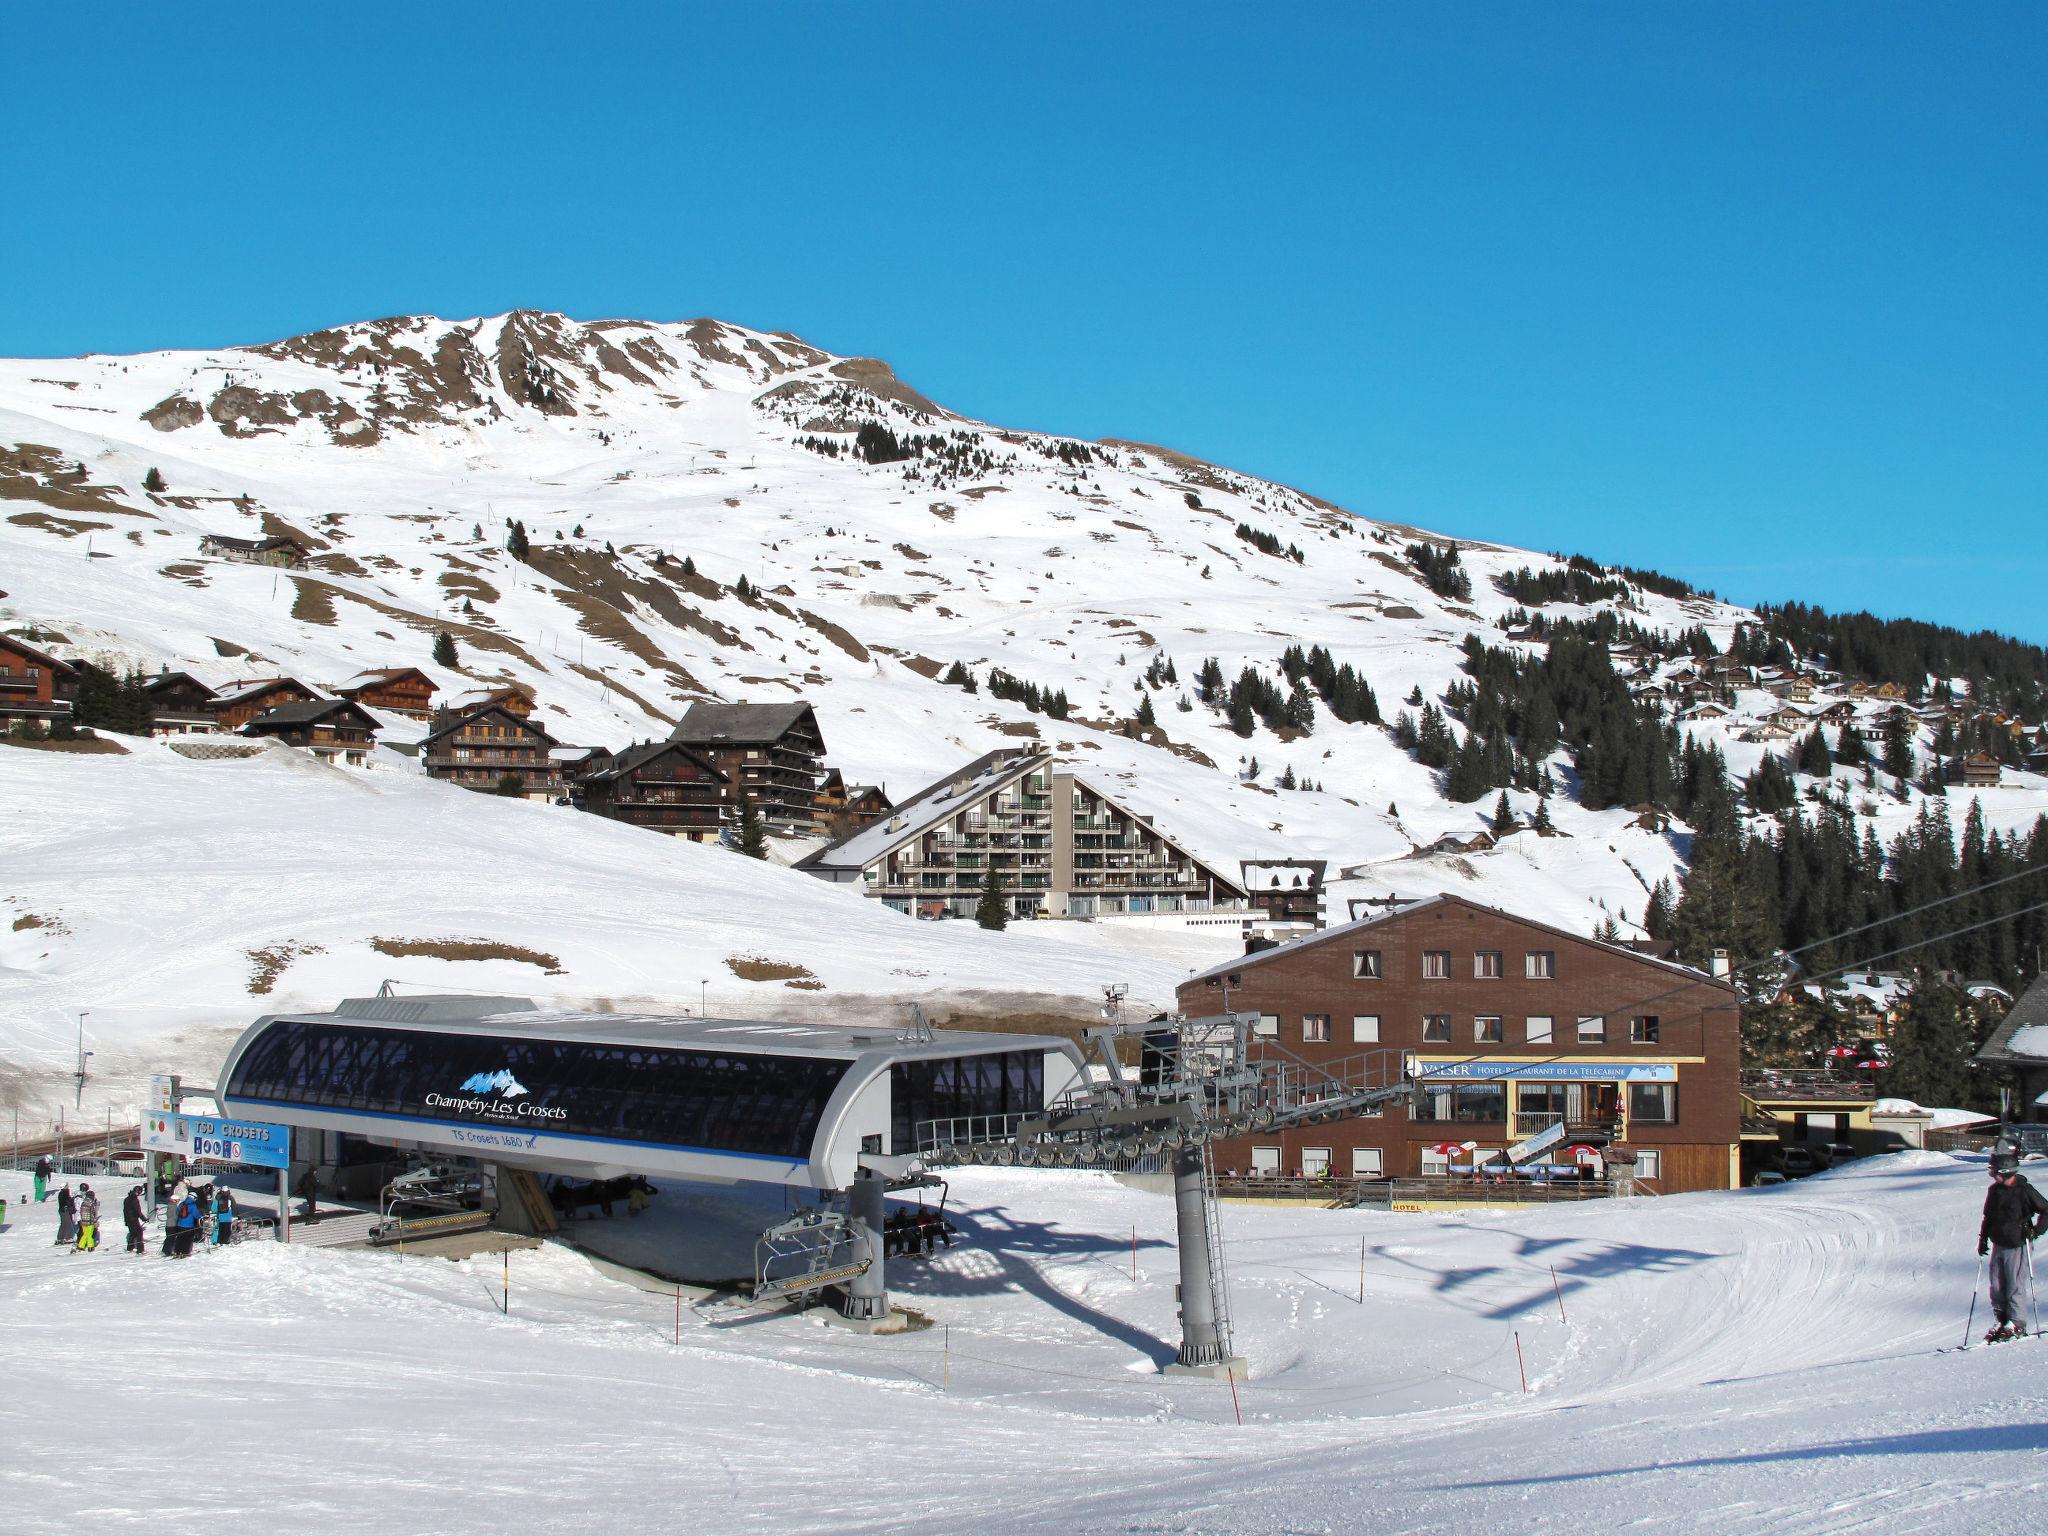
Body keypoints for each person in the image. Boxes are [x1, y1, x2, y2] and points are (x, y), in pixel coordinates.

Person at [1978, 1150, 2048, 1341]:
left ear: (2005, 1171)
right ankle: (2002, 1321)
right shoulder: (1995, 1191)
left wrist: (2036, 1231)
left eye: (1994, 1171)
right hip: (1999, 1243)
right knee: (1997, 1284)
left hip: (2018, 1243)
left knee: (2015, 1284)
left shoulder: (2024, 1190)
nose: (1992, 1175)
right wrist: (1983, 1239)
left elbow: (2046, 1209)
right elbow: (1989, 1217)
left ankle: (2016, 1323)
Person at [172, 1190, 199, 1258]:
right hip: (189, 1225)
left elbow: (177, 1212)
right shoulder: (193, 1205)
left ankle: (177, 1251)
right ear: (194, 1198)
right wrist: (200, 1217)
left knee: (180, 1238)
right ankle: (185, 1252)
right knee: (187, 1239)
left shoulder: (182, 1203)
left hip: (180, 1224)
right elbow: (196, 1215)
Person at [122, 1185, 146, 1255]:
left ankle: (130, 1248)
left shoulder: (127, 1199)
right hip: (133, 1219)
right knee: (139, 1232)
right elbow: (137, 1211)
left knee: (133, 1233)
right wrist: (144, 1218)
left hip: (128, 1219)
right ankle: (140, 1250)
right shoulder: (135, 1200)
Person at [75, 1184, 100, 1252]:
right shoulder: (91, 1203)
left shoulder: (83, 1202)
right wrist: (95, 1221)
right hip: (89, 1222)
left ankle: (81, 1246)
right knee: (90, 1235)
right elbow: (93, 1213)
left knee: (85, 1234)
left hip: (83, 1221)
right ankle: (90, 1246)